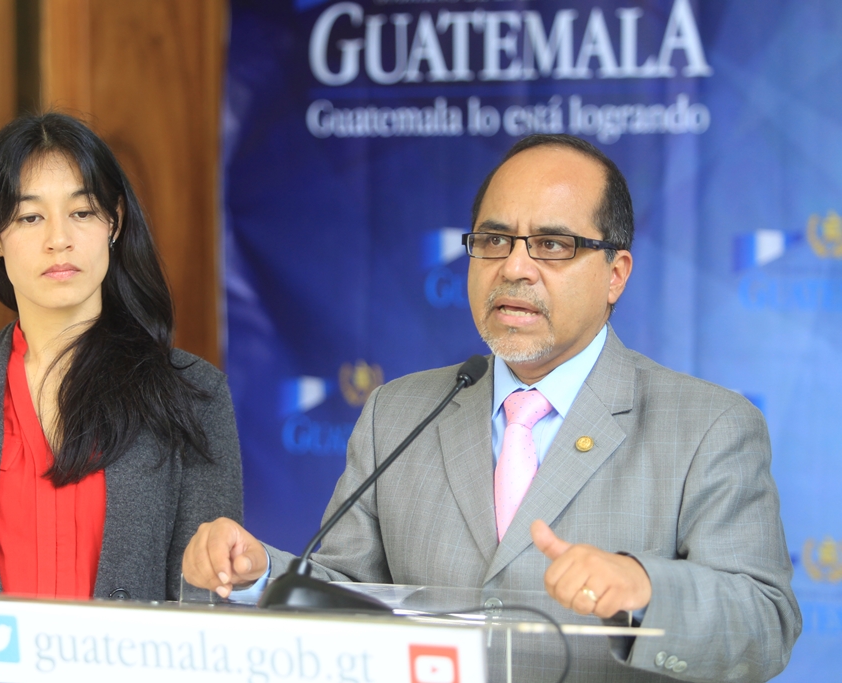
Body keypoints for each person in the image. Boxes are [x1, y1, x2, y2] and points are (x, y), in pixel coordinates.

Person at [183, 134, 801, 682]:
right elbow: (349, 598)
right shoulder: (398, 413)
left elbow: (763, 627)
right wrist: (261, 574)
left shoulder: (708, 426)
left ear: (616, 274)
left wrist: (644, 591)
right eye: (495, 239)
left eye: (553, 244)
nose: (515, 267)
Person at [0, 113, 243, 681]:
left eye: (81, 211)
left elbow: (211, 603)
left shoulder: (191, 394)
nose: (60, 238)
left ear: (114, 223)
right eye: (30, 216)